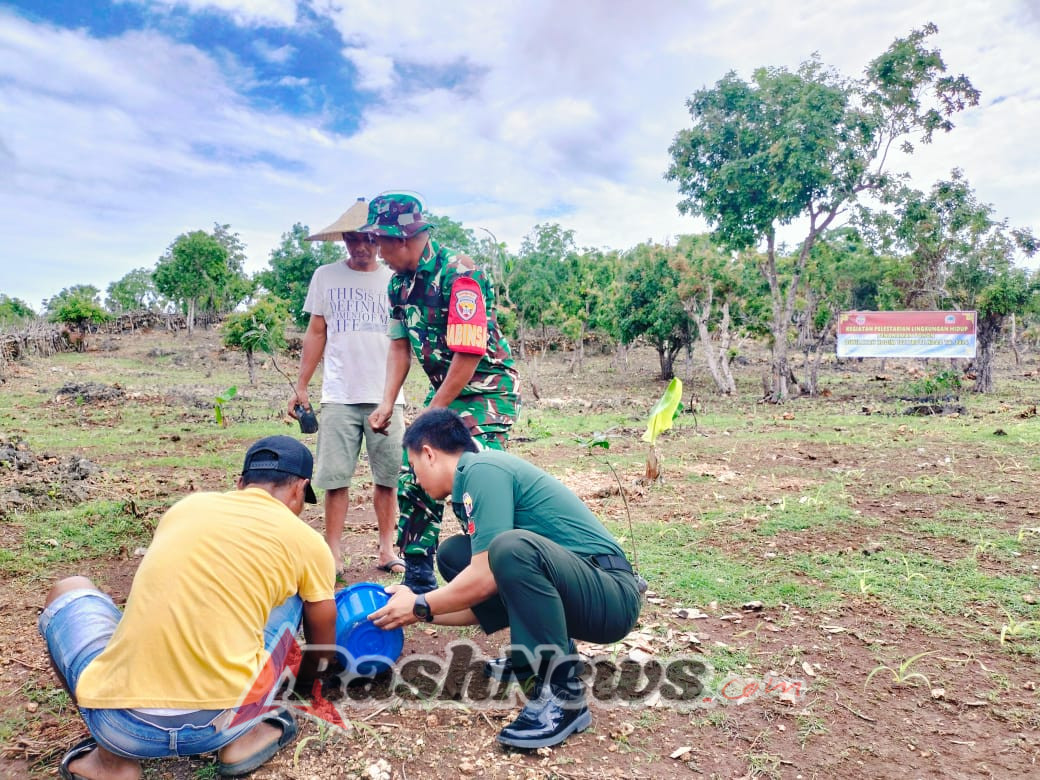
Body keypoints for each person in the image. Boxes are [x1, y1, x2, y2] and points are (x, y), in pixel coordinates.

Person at [39, 436, 337, 779]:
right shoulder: (307, 543)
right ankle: (247, 737)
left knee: (69, 588)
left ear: (240, 484)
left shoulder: (186, 508)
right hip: (225, 721)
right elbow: (322, 645)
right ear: (300, 489)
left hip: (121, 725)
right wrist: (304, 685)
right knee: (301, 595)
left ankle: (111, 762)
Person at [369, 409, 642, 749]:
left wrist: (422, 603)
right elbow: (484, 602)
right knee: (456, 553)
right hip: (588, 590)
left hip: (611, 596)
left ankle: (562, 695)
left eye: (414, 466)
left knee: (509, 549)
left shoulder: (483, 470)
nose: (416, 478)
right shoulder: (474, 475)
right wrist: (412, 611)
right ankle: (537, 656)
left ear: (429, 453)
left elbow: (484, 578)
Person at [362, 193, 520, 594]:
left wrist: (432, 413)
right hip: (449, 391)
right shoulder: (398, 285)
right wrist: (386, 401)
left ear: (400, 238)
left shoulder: (459, 274)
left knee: (475, 474)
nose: (377, 252)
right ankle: (417, 576)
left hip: (487, 390)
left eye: (379, 242)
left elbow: (468, 354)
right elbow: (400, 347)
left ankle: (512, 564)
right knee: (415, 467)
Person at [289, 196, 406, 577]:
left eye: (368, 239)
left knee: (388, 476)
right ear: (344, 241)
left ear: (379, 240)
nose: (360, 247)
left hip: (387, 395)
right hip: (339, 394)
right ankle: (333, 552)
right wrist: (301, 386)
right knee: (335, 478)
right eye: (352, 239)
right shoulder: (326, 275)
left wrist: (392, 395)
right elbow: (316, 331)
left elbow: (404, 342)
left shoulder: (395, 279)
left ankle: (387, 549)